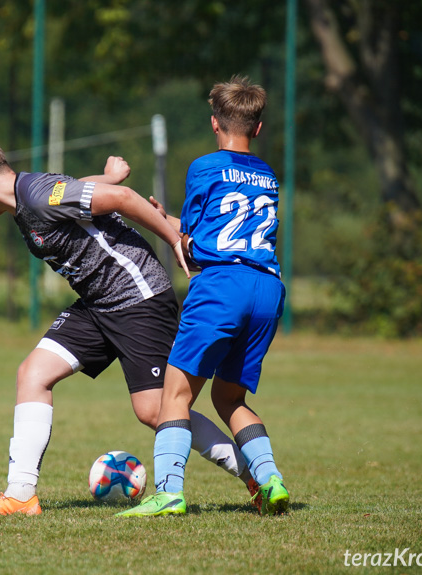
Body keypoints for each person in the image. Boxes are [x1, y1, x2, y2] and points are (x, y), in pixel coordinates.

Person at [0, 136, 260, 517]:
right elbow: (76, 191)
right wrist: (107, 177)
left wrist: (175, 240)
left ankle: (252, 473)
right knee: (33, 374)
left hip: (139, 299)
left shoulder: (37, 194)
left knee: (154, 410)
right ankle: (20, 495)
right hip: (97, 305)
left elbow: (126, 199)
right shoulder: (29, 196)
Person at [118, 75, 289, 518]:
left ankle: (168, 493)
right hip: (267, 288)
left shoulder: (204, 168)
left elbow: (192, 245)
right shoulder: (269, 175)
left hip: (222, 287)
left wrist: (170, 228)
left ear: (215, 123)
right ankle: (271, 482)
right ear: (258, 128)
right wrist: (170, 219)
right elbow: (236, 231)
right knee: (230, 398)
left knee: (174, 397)